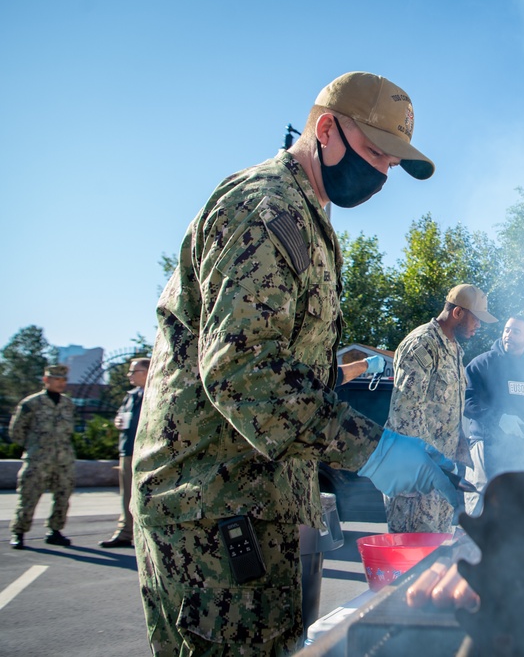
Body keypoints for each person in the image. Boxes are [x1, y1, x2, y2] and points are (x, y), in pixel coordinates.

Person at [131, 71, 461, 656]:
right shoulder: (265, 210)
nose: (382, 175)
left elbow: (297, 372)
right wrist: (375, 451)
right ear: (326, 129)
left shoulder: (309, 216)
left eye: (391, 164)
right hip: (210, 513)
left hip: (259, 508)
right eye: (374, 154)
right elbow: (245, 377)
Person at [384, 284, 497, 533]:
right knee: (411, 559)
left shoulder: (454, 348)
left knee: (434, 558)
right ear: (457, 313)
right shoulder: (422, 344)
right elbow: (405, 415)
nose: (478, 325)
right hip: (415, 476)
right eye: (476, 319)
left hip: (440, 476)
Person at [464, 316, 524, 515]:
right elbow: (466, 401)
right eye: (506, 330)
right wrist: (498, 418)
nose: (508, 335)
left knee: (518, 507)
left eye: (516, 331)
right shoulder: (482, 364)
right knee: (480, 504)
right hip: (484, 445)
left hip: (523, 451)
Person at [8, 364, 76, 549]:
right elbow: (16, 431)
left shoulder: (68, 404)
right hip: (38, 459)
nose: (60, 383)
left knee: (63, 497)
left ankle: (55, 531)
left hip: (63, 460)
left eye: (63, 380)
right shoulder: (31, 403)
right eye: (56, 379)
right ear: (46, 380)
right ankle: (19, 532)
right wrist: (35, 447)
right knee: (28, 496)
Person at [99, 357, 149, 548]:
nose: (129, 375)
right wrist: (117, 422)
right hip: (128, 449)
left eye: (133, 371)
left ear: (145, 373)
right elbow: (121, 416)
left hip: (146, 451)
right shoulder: (131, 395)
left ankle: (143, 534)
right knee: (126, 494)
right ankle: (125, 532)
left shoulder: (157, 392)